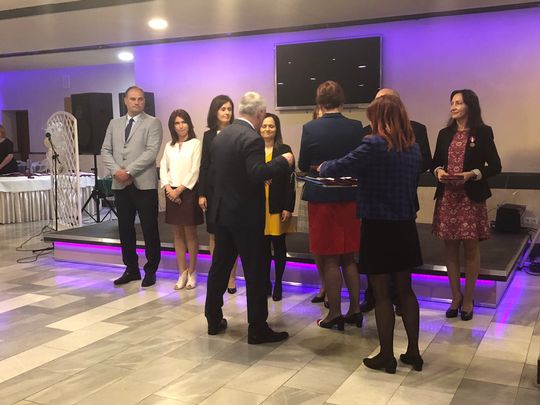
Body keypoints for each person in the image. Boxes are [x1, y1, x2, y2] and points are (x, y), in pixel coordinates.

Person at [319, 94, 424, 374]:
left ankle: (387, 356)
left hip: (378, 227)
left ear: (379, 118)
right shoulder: (413, 148)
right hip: (405, 226)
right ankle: (414, 352)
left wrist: (322, 166)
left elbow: (339, 166)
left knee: (381, 294)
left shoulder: (374, 143)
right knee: (405, 290)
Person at [204, 91, 294, 344]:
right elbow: (256, 173)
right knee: (256, 271)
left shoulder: (221, 137)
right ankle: (257, 328)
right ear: (259, 113)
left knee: (219, 268)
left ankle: (213, 318)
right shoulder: (252, 138)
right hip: (245, 217)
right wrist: (283, 161)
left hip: (222, 213)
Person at [360, 88, 432, 314]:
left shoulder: (417, 130)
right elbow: (360, 164)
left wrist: (397, 171)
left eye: (385, 101)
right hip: (376, 207)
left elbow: (426, 161)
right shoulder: (366, 132)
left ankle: (397, 299)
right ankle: (371, 296)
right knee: (377, 270)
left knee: (401, 271)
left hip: (402, 201)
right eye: (377, 100)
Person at [298, 80, 363, 330]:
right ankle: (355, 310)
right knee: (349, 257)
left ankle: (334, 313)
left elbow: (303, 165)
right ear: (341, 100)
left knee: (329, 259)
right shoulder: (356, 127)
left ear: (319, 102)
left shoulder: (310, 128)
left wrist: (319, 166)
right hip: (350, 197)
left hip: (322, 198)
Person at [432, 89, 501, 321]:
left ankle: (469, 299)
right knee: (450, 249)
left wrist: (472, 174)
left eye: (459, 103)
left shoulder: (483, 132)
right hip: (448, 198)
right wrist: (439, 171)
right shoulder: (444, 133)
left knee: (471, 248)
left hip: (470, 198)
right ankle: (455, 297)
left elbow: (495, 166)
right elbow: (435, 163)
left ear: (470, 106)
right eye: (452, 102)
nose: (453, 106)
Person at [101, 85, 163, 287]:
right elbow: (105, 150)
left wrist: (128, 171)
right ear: (125, 101)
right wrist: (116, 171)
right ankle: (131, 269)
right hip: (120, 185)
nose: (137, 102)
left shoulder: (153, 122)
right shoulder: (114, 123)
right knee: (125, 229)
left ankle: (151, 270)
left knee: (149, 228)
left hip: (144, 184)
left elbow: (151, 152)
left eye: (140, 99)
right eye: (133, 99)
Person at [198, 95, 239, 294]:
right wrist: (202, 193)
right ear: (215, 111)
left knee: (232, 236)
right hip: (213, 193)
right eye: (223, 109)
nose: (226, 112)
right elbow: (204, 165)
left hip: (233, 192)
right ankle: (218, 276)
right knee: (214, 234)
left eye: (229, 109)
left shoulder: (237, 132)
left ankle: (232, 277)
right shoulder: (208, 136)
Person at [160, 109, 203, 290]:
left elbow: (195, 170)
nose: (180, 126)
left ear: (189, 124)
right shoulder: (169, 146)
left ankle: (192, 272)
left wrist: (179, 190)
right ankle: (182, 272)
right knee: (177, 233)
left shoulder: (195, 143)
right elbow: (163, 167)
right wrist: (168, 188)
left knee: (190, 233)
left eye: (183, 122)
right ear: (173, 126)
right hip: (171, 191)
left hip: (188, 192)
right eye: (177, 123)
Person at [260, 113, 296, 301]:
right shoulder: (254, 150)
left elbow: (291, 181)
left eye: (271, 126)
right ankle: (265, 283)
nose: (267, 129)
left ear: (277, 129)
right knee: (262, 249)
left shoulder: (284, 150)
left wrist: (288, 207)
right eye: (264, 126)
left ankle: (279, 283)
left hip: (277, 206)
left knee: (279, 246)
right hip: (258, 207)